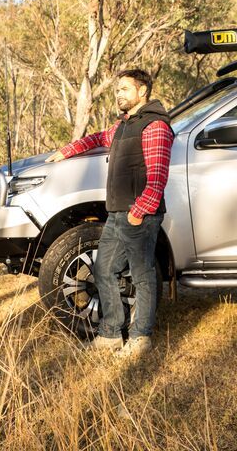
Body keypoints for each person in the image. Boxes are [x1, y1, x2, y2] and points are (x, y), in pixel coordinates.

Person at [45, 69, 174, 358]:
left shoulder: (155, 126)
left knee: (142, 276)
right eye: (117, 89)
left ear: (142, 92)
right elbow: (97, 138)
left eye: (125, 89)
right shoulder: (123, 125)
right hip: (116, 213)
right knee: (103, 269)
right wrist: (68, 150)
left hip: (139, 215)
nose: (119, 94)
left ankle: (140, 338)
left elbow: (157, 177)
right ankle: (110, 334)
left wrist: (138, 212)